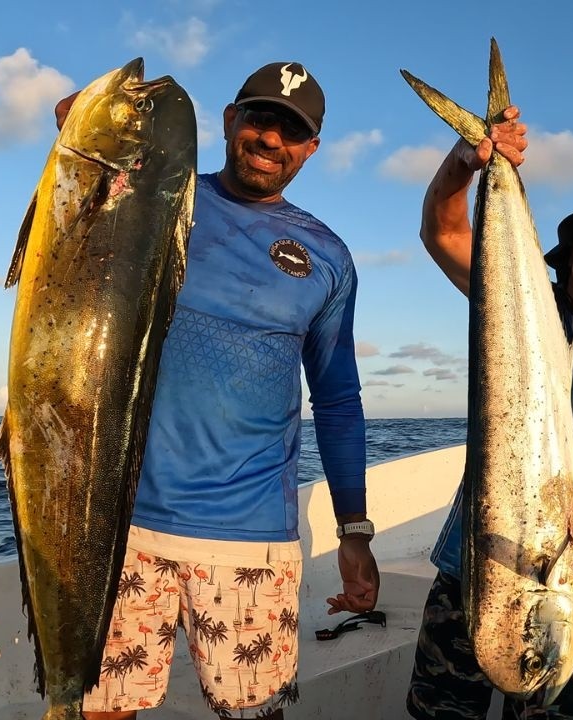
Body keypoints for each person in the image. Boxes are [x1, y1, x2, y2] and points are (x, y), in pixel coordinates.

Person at [54, 61, 380, 720]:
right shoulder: (157, 200)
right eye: (259, 119)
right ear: (230, 121)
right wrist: (88, 120)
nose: (270, 139)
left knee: (255, 712)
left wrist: (354, 530)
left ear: (311, 148)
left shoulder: (328, 256)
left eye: (291, 130)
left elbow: (338, 399)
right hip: (121, 521)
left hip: (250, 536)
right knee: (102, 709)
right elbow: (80, 157)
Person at [405, 107, 573, 720]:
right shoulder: (522, 302)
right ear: (569, 255)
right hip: (473, 570)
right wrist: (465, 163)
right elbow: (443, 233)